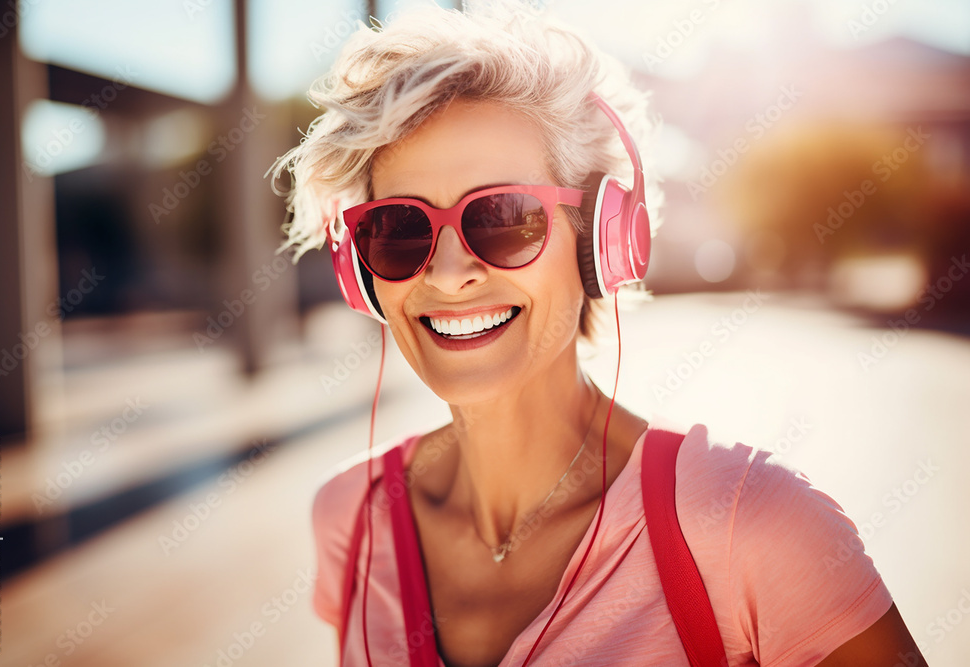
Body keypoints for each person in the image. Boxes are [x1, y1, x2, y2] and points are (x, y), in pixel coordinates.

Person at [270, 2, 927, 665]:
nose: (447, 274)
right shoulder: (348, 519)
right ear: (359, 268)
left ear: (603, 238)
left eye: (502, 216)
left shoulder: (752, 522)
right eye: (400, 228)